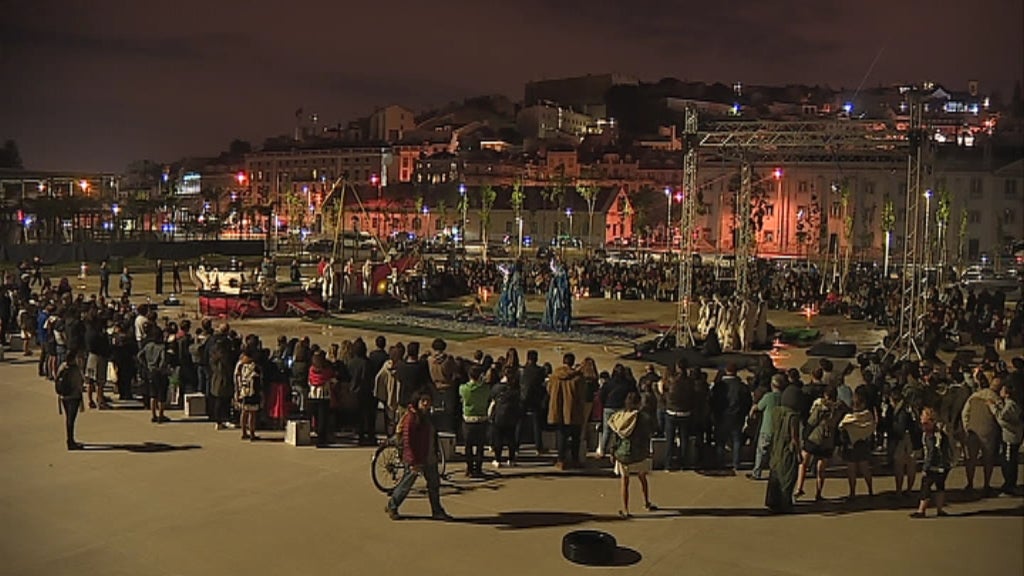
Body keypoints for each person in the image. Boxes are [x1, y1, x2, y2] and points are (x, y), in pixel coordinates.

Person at [385, 392, 452, 521]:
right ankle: (392, 505)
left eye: (428, 400)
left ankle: (437, 510)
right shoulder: (411, 418)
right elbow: (408, 441)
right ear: (418, 401)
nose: (426, 403)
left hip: (429, 456)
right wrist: (413, 462)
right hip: (416, 458)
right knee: (406, 484)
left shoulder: (427, 416)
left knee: (434, 484)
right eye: (423, 401)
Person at [608, 392, 657, 517]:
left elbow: (615, 438)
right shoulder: (644, 418)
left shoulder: (620, 417)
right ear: (639, 403)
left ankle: (625, 509)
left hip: (623, 454)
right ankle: (646, 502)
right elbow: (649, 434)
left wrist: (612, 452)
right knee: (643, 478)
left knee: (625, 482)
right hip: (640, 453)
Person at [796, 386, 840, 501]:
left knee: (803, 463)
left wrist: (804, 436)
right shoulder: (839, 409)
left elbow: (812, 422)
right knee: (821, 469)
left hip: (814, 438)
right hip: (828, 441)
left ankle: (799, 488)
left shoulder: (821, 407)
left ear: (825, 395)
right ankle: (818, 493)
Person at [764, 386, 802, 513]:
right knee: (788, 476)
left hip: (776, 447)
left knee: (775, 474)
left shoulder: (776, 412)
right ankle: (785, 503)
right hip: (787, 450)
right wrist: (799, 454)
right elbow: (794, 438)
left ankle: (773, 501)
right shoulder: (793, 416)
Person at [911, 407, 954, 518]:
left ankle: (921, 510)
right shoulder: (940, 433)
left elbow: (932, 452)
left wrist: (926, 468)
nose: (923, 426)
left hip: (934, 466)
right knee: (940, 487)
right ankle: (939, 509)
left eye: (925, 423)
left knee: (925, 487)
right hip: (944, 466)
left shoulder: (931, 435)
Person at [547, 352, 586, 469]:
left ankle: (561, 460)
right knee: (575, 438)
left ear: (564, 361)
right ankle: (575, 460)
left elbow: (549, 390)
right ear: (573, 362)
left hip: (558, 410)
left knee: (561, 437)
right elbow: (582, 395)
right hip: (574, 411)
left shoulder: (554, 376)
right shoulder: (578, 378)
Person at [838, 387, 876, 499]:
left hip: (851, 446)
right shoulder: (868, 415)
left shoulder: (848, 418)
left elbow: (841, 428)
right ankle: (870, 490)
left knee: (851, 471)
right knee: (865, 469)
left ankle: (852, 492)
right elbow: (871, 428)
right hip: (863, 444)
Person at [988, 382, 1022, 495]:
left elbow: (1001, 417)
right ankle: (1009, 484)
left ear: (1007, 393)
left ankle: (1010, 485)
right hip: (1010, 436)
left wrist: (992, 407)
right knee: (1008, 460)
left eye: (1002, 390)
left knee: (1009, 462)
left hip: (1010, 437)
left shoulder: (1011, 405)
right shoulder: (1009, 404)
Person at [748, 373, 783, 480]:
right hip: (778, 428)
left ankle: (757, 472)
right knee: (775, 453)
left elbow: (758, 407)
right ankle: (775, 472)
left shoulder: (768, 397)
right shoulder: (783, 397)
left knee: (760, 451)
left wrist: (751, 413)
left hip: (767, 427)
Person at [888, 387, 922, 498]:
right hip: (913, 440)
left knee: (899, 466)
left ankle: (899, 490)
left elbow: (900, 428)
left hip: (903, 440)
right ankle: (909, 489)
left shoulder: (900, 411)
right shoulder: (911, 409)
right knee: (911, 465)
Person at [460, 364, 489, 477]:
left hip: (468, 420)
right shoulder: (485, 388)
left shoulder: (464, 388)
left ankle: (469, 468)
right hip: (482, 419)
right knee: (480, 446)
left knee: (468, 446)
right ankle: (479, 468)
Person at [489, 365, 521, 468]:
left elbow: (492, 401)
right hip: (511, 416)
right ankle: (511, 459)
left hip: (499, 416)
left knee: (498, 439)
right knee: (511, 438)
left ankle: (497, 459)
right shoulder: (515, 389)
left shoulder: (497, 387)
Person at [55, 352, 85, 450]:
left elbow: (56, 378)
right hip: (73, 396)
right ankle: (71, 441)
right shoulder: (75, 370)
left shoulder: (62, 367)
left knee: (68, 418)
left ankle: (70, 440)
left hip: (64, 396)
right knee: (71, 420)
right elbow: (79, 383)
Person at [234, 351, 262, 441]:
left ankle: (244, 432)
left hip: (243, 391)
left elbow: (236, 379)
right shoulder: (255, 367)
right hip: (252, 392)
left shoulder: (240, 366)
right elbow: (258, 381)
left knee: (244, 412)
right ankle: (252, 433)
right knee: (252, 414)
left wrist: (237, 391)